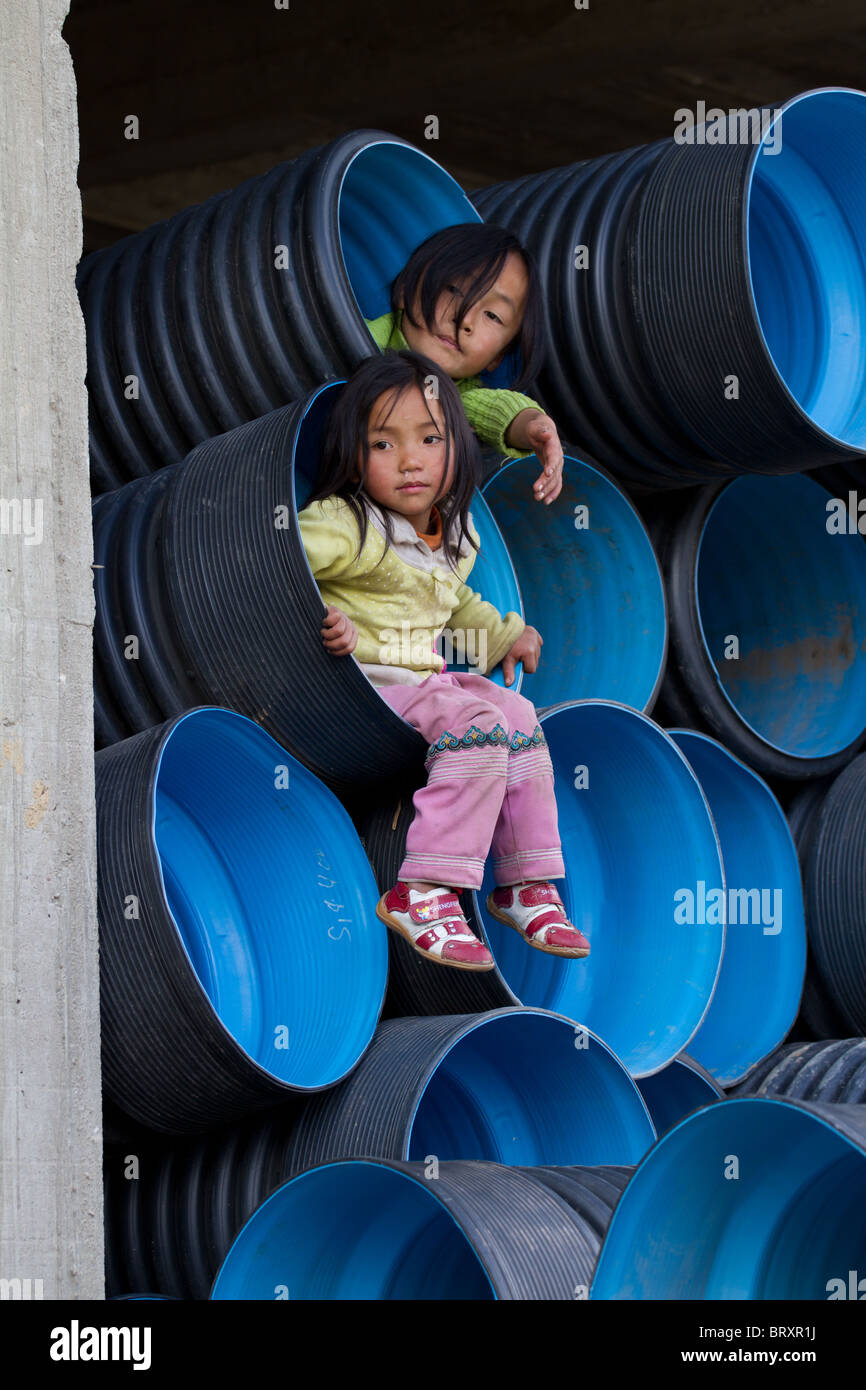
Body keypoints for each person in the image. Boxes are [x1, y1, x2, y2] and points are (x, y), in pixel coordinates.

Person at [298, 349, 590, 971]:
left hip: (422, 680)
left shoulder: (450, 534)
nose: (410, 461)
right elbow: (277, 565)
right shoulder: (346, 523)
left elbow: (455, 604)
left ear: (457, 448)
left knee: (516, 714)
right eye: (382, 444)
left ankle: (522, 881)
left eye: (430, 439)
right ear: (353, 457)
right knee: (476, 727)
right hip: (362, 687)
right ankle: (424, 888)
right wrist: (322, 618)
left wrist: (505, 635)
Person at [365, 222, 565, 506]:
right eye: (454, 290)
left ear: (498, 356)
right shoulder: (365, 337)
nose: (465, 320)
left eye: (493, 316)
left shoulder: (455, 396)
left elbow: (495, 408)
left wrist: (537, 425)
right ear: (405, 288)